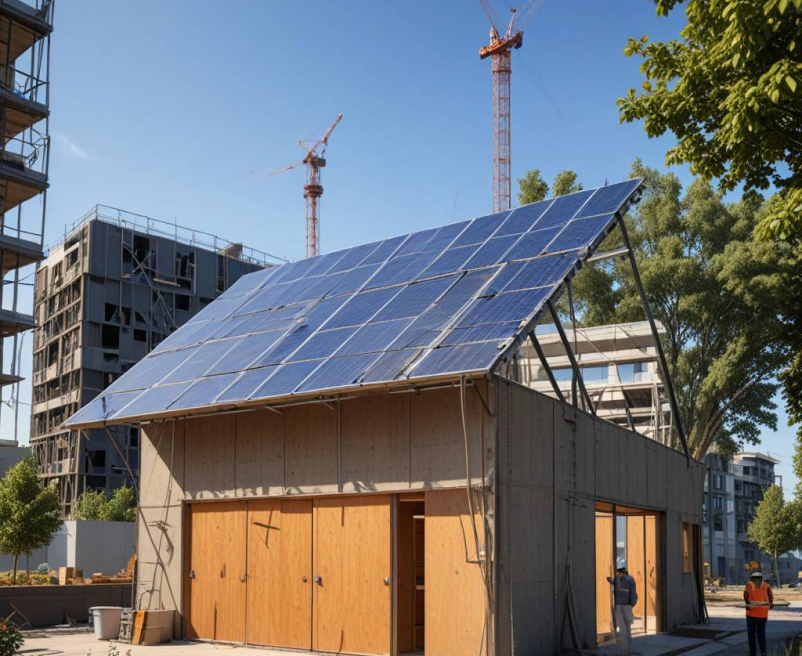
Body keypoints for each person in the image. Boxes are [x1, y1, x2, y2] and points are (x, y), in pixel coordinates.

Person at [607, 559, 638, 656]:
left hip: (619, 606)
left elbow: (611, 582)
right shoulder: (630, 579)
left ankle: (623, 652)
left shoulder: (616, 579)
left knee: (622, 629)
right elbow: (633, 594)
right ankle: (629, 650)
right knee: (628, 628)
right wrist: (631, 604)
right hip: (628, 606)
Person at [744, 570, 774, 656]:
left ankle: (753, 653)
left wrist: (747, 604)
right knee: (761, 633)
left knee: (751, 635)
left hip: (751, 614)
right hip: (762, 614)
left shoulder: (749, 584)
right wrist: (770, 604)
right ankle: (763, 651)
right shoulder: (766, 585)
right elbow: (771, 596)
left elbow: (745, 595)